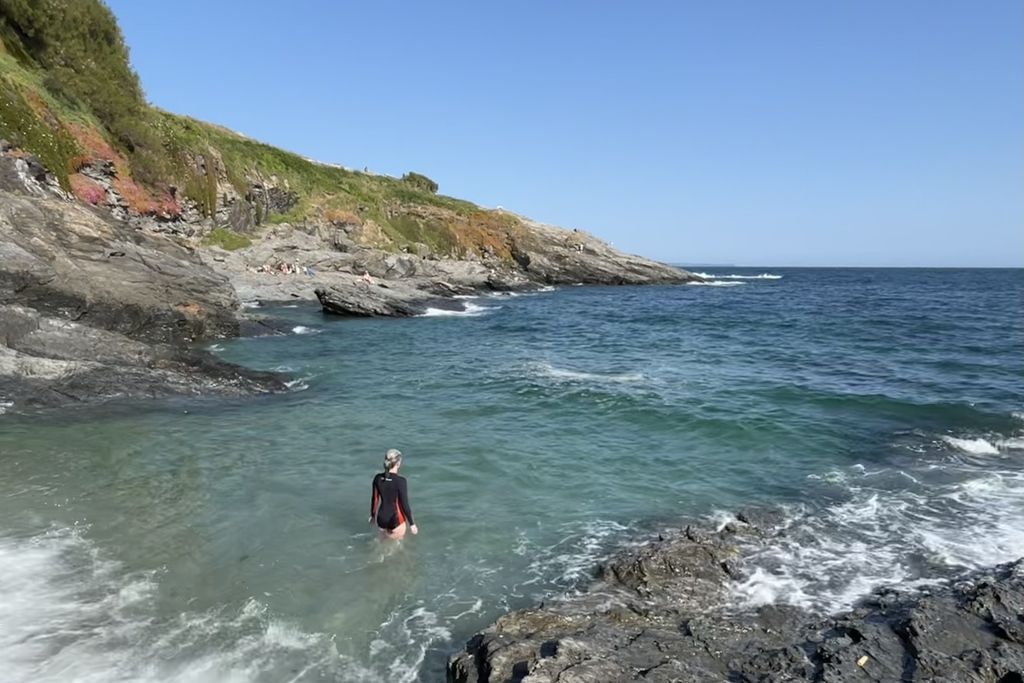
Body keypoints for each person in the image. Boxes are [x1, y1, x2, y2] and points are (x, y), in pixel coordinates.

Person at [369, 449, 418, 540]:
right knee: (398, 546)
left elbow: (375, 499)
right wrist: (412, 524)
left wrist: (372, 516)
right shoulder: (401, 481)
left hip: (381, 519)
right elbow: (405, 504)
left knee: (383, 543)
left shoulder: (377, 478)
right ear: (398, 463)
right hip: (396, 519)